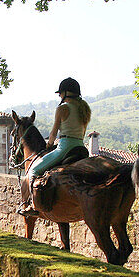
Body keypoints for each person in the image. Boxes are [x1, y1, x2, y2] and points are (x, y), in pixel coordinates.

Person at [17, 77, 91, 217]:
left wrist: (49, 145)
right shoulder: (85, 108)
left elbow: (53, 132)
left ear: (66, 93)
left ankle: (32, 205)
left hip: (65, 148)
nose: (59, 95)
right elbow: (83, 132)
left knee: (33, 170)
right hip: (80, 147)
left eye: (60, 93)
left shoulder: (62, 108)